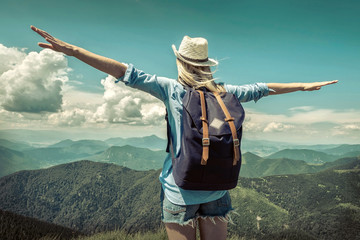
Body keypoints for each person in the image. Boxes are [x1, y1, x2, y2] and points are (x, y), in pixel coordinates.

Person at [31, 26, 337, 240]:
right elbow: (264, 88)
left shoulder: (171, 89)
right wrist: (305, 86)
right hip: (218, 190)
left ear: (181, 62)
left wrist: (71, 50)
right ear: (206, 65)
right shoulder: (225, 91)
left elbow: (123, 71)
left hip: (180, 192)